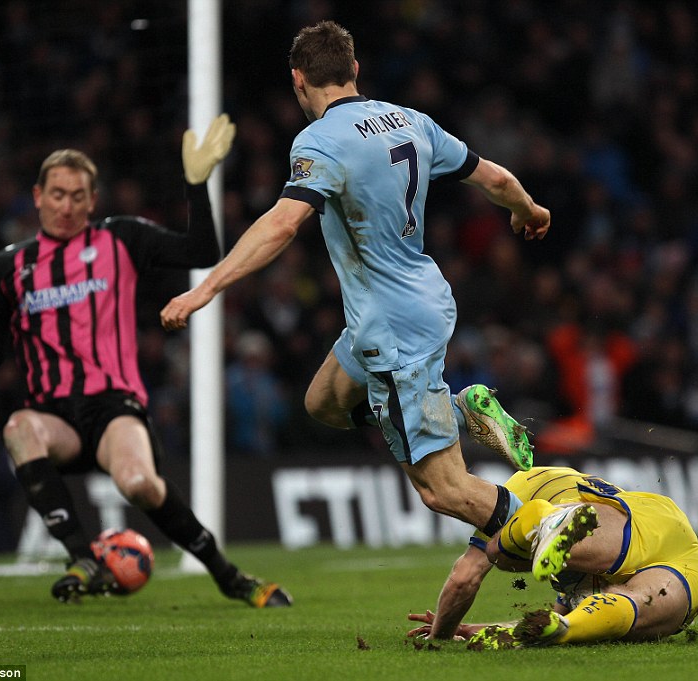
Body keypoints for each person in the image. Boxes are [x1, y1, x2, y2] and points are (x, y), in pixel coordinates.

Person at [160, 21, 550, 540]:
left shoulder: (319, 140)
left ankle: (554, 525)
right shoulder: (410, 120)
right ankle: (458, 411)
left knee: (444, 490)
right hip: (421, 300)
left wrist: (203, 289)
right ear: (355, 70)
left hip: (390, 327)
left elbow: (281, 224)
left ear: (298, 79)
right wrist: (528, 209)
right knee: (323, 402)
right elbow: (496, 179)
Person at [0, 114, 291, 608]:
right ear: (38, 196)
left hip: (113, 408)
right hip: (54, 417)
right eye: (57, 194)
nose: (67, 205)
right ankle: (83, 557)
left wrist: (195, 184)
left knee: (140, 484)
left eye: (78, 196)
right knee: (18, 427)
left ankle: (229, 576)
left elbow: (201, 250)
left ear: (92, 201)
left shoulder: (119, 239)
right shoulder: (7, 268)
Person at [406, 466, 698, 648]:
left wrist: (442, 634)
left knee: (498, 552)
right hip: (680, 559)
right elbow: (552, 618)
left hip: (618, 523)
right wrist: (472, 628)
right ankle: (567, 630)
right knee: (628, 607)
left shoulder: (511, 494)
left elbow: (464, 578)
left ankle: (548, 522)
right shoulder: (549, 483)